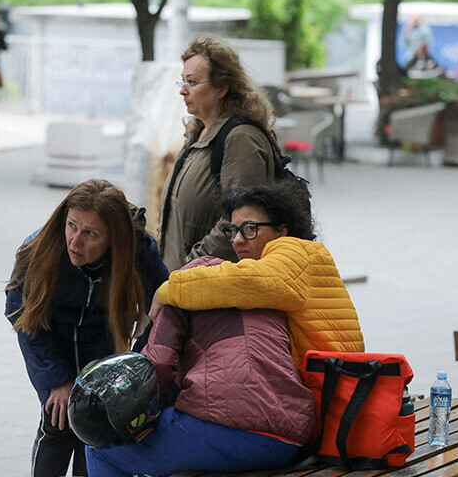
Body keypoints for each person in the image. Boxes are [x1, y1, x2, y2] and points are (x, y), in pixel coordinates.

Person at [85, 256, 316, 476]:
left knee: (102, 447)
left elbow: (156, 367)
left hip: (224, 430)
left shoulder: (181, 288)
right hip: (288, 438)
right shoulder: (263, 295)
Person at [5, 179, 169, 477]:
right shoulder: (37, 251)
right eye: (71, 226)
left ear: (113, 238)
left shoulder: (138, 251)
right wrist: (56, 380)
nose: (75, 242)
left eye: (90, 233)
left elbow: (164, 310)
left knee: (97, 432)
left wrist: (134, 365)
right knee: (57, 423)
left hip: (103, 346)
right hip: (52, 342)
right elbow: (21, 317)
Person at [152, 180, 365, 368]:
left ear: (281, 231)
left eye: (250, 228)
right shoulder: (291, 257)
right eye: (233, 230)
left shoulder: (294, 251)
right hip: (331, 381)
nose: (237, 240)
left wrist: (170, 289)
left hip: (334, 390)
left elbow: (244, 281)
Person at [158, 34, 278, 272]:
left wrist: (191, 266)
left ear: (222, 87)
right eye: (182, 81)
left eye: (192, 82)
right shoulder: (198, 133)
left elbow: (240, 225)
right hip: (183, 288)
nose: (183, 91)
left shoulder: (240, 138)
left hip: (210, 290)